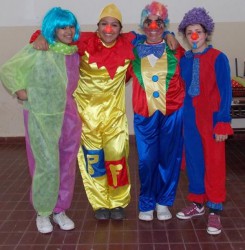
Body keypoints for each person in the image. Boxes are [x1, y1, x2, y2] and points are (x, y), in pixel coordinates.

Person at [30, 3, 178, 220]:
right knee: (93, 162)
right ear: (97, 26)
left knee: (117, 160)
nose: (109, 29)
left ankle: (117, 202)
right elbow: (55, 35)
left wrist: (169, 32)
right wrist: (39, 36)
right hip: (86, 118)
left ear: (120, 28)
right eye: (104, 24)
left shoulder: (130, 42)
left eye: (114, 25)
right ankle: (100, 203)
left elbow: (153, 31)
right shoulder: (83, 41)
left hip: (114, 117)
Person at [0, 7, 82, 234]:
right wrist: (20, 91)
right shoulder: (38, 48)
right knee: (45, 165)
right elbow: (8, 70)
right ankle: (43, 212)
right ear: (52, 29)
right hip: (41, 117)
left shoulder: (73, 52)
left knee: (66, 164)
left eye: (70, 26)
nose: (67, 31)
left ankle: (60, 210)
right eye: (62, 27)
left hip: (68, 116)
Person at [176, 7, 233, 235]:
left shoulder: (219, 57)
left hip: (211, 119)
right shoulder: (185, 60)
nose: (194, 36)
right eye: (189, 32)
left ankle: (215, 210)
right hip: (190, 118)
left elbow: (225, 91)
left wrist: (222, 122)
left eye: (198, 31)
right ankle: (198, 203)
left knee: (215, 163)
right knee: (195, 161)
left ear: (206, 33)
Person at [127, 1, 185, 221]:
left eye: (159, 23)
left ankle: (163, 202)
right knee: (146, 159)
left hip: (172, 111)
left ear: (165, 25)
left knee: (169, 158)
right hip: (144, 113)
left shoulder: (175, 48)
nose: (153, 27)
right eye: (148, 22)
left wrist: (171, 34)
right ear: (142, 25)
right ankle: (146, 202)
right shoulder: (133, 47)